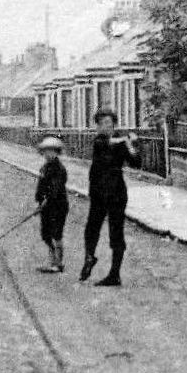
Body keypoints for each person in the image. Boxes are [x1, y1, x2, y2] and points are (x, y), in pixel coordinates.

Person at [80, 108, 141, 287]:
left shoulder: (120, 143)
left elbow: (136, 163)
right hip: (98, 192)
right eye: (103, 124)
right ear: (97, 127)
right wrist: (125, 140)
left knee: (116, 233)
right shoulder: (99, 141)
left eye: (109, 124)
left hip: (116, 193)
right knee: (92, 228)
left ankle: (114, 274)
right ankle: (89, 257)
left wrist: (131, 146)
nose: (106, 127)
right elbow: (107, 144)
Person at [34, 136, 69, 274]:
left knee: (56, 233)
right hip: (45, 207)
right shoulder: (44, 167)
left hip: (57, 206)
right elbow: (40, 186)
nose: (47, 153)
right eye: (45, 151)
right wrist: (39, 201)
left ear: (56, 152)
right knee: (46, 234)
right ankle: (52, 261)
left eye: (51, 151)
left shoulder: (59, 169)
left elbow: (55, 188)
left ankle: (58, 263)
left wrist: (46, 200)